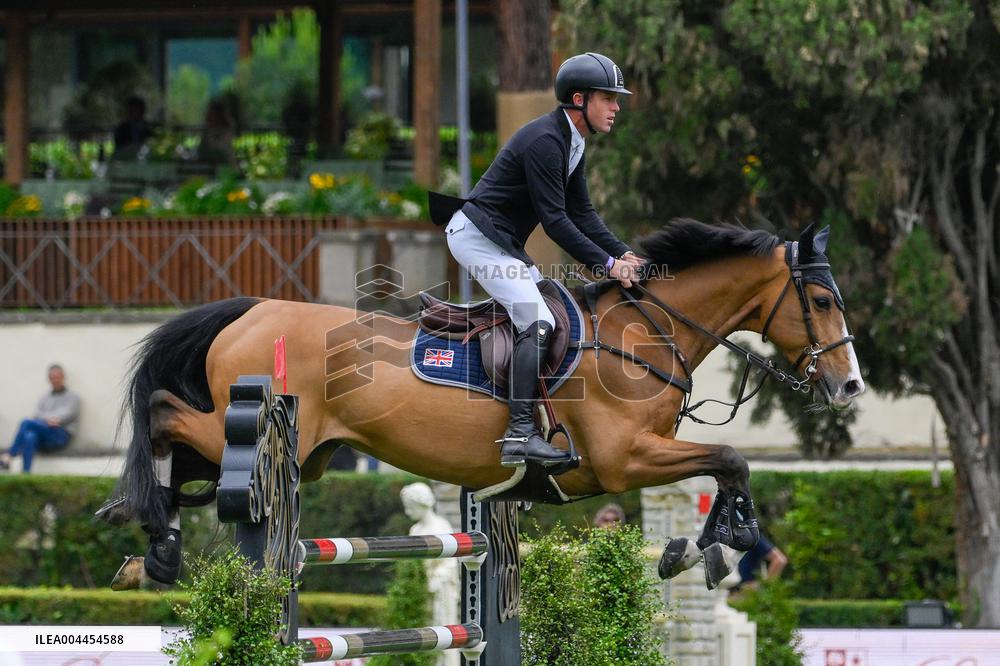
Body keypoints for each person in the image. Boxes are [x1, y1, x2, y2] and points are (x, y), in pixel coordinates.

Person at [436, 52, 644, 468]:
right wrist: (606, 265)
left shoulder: (573, 141)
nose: (617, 107)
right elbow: (555, 222)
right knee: (539, 320)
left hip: (501, 242)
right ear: (579, 99)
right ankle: (518, 434)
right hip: (476, 239)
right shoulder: (546, 141)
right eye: (609, 98)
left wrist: (622, 252)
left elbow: (583, 213)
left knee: (553, 308)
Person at [400, 482, 460, 666]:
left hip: (439, 591)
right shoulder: (415, 530)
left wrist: (437, 579)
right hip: (420, 590)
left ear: (420, 504)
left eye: (409, 507)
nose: (407, 512)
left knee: (441, 632)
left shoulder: (441, 526)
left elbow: (450, 562)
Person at [0, 365, 81, 473]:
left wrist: (52, 419)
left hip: (61, 436)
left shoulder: (73, 397)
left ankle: (10, 455)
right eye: (52, 377)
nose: (55, 380)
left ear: (63, 377)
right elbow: (37, 414)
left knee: (26, 422)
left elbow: (68, 414)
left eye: (57, 377)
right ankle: (26, 474)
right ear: (49, 379)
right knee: (30, 436)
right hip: (44, 436)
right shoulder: (44, 398)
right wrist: (50, 420)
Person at [113, 95, 154, 160]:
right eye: (131, 110)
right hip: (126, 161)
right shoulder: (122, 129)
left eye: (136, 109)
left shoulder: (149, 128)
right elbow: (119, 149)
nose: (133, 113)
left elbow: (152, 145)